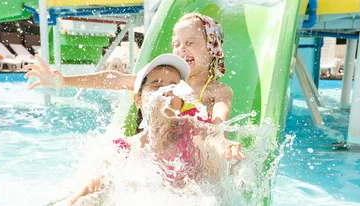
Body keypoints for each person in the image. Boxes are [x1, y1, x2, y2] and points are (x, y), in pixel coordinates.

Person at [60, 54, 244, 206]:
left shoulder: (192, 132)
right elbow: (87, 192)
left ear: (181, 101)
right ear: (138, 100)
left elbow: (212, 134)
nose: (166, 91)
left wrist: (223, 142)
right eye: (156, 85)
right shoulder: (125, 149)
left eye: (173, 86)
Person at [25, 13, 232, 125]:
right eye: (176, 44)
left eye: (190, 42)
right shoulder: (163, 82)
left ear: (212, 47)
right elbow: (114, 79)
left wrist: (222, 142)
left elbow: (219, 123)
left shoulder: (217, 92)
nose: (181, 49)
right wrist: (64, 82)